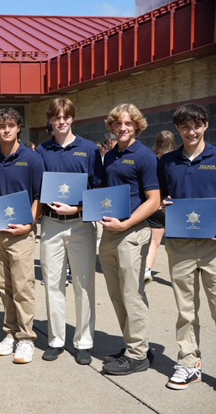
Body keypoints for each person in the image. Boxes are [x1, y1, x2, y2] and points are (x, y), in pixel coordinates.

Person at [36, 98, 104, 365]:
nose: (61, 121)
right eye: (56, 117)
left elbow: (98, 188)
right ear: (51, 120)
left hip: (81, 224)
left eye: (65, 117)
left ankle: (84, 341)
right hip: (51, 224)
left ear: (72, 118)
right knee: (52, 284)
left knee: (83, 284)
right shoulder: (42, 150)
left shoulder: (88, 149)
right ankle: (55, 339)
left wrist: (76, 209)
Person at [98, 104, 160, 376]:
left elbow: (154, 200)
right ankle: (135, 345)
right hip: (111, 232)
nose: (122, 128)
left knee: (132, 294)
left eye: (128, 124)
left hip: (132, 233)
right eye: (117, 124)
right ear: (111, 126)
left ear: (136, 126)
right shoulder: (111, 155)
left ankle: (137, 355)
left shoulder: (145, 156)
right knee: (116, 294)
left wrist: (127, 223)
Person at [159, 104, 216, 389]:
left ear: (205, 125)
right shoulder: (167, 161)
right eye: (185, 127)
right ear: (178, 129)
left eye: (196, 125)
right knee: (185, 309)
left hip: (213, 247)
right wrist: (164, 206)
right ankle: (188, 362)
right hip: (180, 245)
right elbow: (159, 197)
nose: (191, 131)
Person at [0, 108, 44, 364]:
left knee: (23, 286)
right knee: (4, 287)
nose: (6, 129)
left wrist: (29, 225)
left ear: (19, 127)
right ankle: (10, 333)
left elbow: (40, 195)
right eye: (1, 126)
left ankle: (27, 338)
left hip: (21, 232)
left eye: (10, 125)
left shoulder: (31, 158)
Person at [144, 130, 177, 283]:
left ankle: (147, 269)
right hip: (174, 207)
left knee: (154, 242)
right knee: (177, 243)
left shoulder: (152, 159)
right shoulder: (175, 160)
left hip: (155, 206)